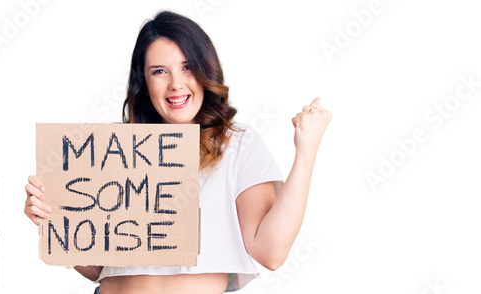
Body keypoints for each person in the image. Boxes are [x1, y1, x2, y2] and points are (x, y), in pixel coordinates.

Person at [24, 10, 331, 294]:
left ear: (205, 69)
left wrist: (307, 151)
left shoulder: (236, 145)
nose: (176, 84)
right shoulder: (113, 151)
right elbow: (98, 269)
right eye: (160, 71)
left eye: (187, 67)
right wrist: (53, 221)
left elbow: (271, 253)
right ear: (144, 83)